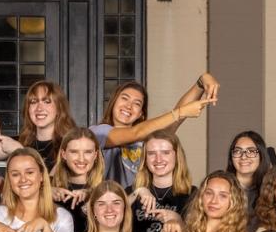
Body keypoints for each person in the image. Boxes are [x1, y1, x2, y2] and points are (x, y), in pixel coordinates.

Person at [90, 76, 218, 187]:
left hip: (142, 206)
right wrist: (180, 112)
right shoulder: (98, 132)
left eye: (137, 103)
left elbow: (175, 120)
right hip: (111, 208)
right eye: (124, 98)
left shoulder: (148, 137)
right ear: (113, 102)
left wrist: (201, 82)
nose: (128, 106)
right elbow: (135, 133)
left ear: (141, 114)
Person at [130, 130, 197, 232]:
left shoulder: (192, 194)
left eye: (165, 153)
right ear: (145, 159)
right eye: (152, 153)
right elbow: (105, 210)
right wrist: (139, 190)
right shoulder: (132, 194)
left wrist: (178, 219)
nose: (158, 159)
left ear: (177, 156)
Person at [0, 80, 76, 172]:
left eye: (46, 102)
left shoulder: (69, 146)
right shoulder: (21, 141)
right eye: (33, 102)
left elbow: (49, 185)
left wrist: (20, 151)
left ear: (59, 108)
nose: (39, 108)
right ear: (28, 109)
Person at [50, 127, 106, 232]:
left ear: (95, 155)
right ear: (63, 154)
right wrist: (45, 193)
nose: (81, 159)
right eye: (74, 152)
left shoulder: (106, 190)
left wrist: (93, 195)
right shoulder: (48, 188)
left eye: (88, 152)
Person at [225, 131, 273, 230]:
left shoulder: (270, 190)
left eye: (251, 151)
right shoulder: (221, 187)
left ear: (261, 155)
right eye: (238, 151)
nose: (243, 157)